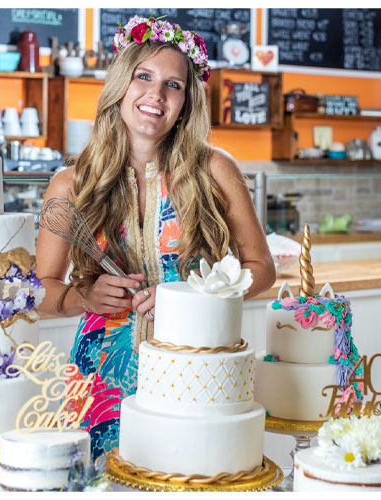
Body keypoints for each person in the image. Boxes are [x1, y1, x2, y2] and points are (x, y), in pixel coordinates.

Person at [35, 14, 276, 461]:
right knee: (106, 481)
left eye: (174, 85)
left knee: (194, 474)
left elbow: (262, 270)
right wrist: (82, 297)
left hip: (196, 361)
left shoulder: (214, 170)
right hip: (101, 372)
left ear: (186, 102)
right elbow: (41, 289)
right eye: (144, 76)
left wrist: (191, 299)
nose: (156, 95)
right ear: (121, 85)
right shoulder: (72, 183)